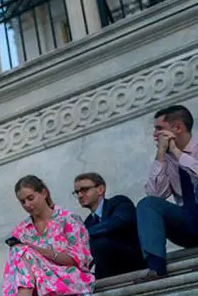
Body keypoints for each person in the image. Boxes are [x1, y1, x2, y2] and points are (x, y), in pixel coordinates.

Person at [137, 104, 198, 281]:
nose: (154, 135)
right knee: (146, 205)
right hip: (188, 224)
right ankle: (156, 268)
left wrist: (178, 153)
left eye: (159, 129)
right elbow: (155, 195)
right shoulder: (167, 158)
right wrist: (161, 155)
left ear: (178, 128)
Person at [73, 172, 145, 279]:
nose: (79, 195)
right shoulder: (87, 223)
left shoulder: (119, 202)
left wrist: (84, 233)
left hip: (133, 264)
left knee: (100, 243)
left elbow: (119, 221)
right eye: (77, 192)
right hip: (108, 271)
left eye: (84, 190)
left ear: (100, 189)